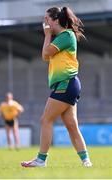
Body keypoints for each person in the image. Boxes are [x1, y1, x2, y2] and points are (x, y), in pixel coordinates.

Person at [21, 6, 92, 167]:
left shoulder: (66, 35)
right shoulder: (61, 37)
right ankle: (86, 161)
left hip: (66, 83)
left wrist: (46, 35)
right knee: (71, 125)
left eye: (47, 19)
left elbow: (45, 53)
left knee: (46, 119)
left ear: (55, 20)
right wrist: (48, 36)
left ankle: (41, 159)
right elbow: (47, 56)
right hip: (68, 84)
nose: (44, 23)